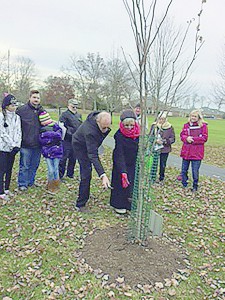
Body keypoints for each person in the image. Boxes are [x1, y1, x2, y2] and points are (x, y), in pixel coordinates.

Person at [72, 111, 111, 212]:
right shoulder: (90, 132)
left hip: (89, 144)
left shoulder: (98, 117)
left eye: (108, 127)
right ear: (97, 122)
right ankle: (80, 204)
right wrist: (102, 174)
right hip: (80, 146)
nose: (105, 130)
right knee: (86, 173)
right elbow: (93, 155)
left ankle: (85, 195)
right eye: (103, 128)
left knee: (89, 169)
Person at [110, 110, 140, 214]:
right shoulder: (119, 135)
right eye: (126, 125)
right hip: (121, 161)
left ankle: (129, 203)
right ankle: (118, 204)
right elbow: (119, 153)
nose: (129, 127)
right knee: (121, 182)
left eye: (131, 125)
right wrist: (123, 170)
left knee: (131, 181)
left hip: (133, 161)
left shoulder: (138, 133)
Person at [16, 90, 43, 191]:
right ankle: (22, 183)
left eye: (38, 98)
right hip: (25, 143)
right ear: (30, 98)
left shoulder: (42, 111)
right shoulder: (21, 110)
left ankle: (31, 181)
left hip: (38, 144)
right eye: (34, 97)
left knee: (34, 165)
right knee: (24, 166)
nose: (36, 100)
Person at [0, 94, 22, 201]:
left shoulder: (17, 117)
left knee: (9, 168)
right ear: (6, 106)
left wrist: (17, 144)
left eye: (15, 105)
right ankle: (1, 191)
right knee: (2, 169)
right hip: (3, 148)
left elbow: (19, 131)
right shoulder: (1, 116)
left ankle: (7, 188)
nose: (14, 107)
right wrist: (12, 144)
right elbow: (2, 133)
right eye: (12, 105)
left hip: (13, 148)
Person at [180, 109, 208, 192]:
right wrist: (186, 138)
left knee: (195, 171)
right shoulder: (186, 125)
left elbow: (204, 138)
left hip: (196, 153)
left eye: (195, 116)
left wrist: (193, 139)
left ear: (199, 117)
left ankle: (195, 185)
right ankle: (184, 183)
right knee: (184, 169)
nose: (193, 118)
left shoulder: (203, 126)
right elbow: (182, 135)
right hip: (186, 151)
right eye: (192, 116)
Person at [39, 111, 63, 193]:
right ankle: (50, 185)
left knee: (56, 169)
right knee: (50, 170)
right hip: (47, 152)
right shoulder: (41, 129)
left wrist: (49, 135)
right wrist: (51, 137)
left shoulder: (56, 126)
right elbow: (42, 140)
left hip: (57, 151)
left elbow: (59, 136)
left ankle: (56, 184)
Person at [59, 98, 82, 179]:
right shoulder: (64, 115)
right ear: (69, 105)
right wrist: (70, 133)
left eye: (76, 106)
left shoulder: (78, 115)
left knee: (73, 158)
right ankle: (60, 175)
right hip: (66, 140)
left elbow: (80, 126)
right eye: (73, 105)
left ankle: (70, 174)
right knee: (63, 158)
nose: (75, 107)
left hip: (76, 140)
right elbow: (61, 127)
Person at [150, 112, 175, 183]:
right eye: (160, 119)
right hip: (155, 148)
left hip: (165, 149)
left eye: (163, 119)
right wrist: (154, 140)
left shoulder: (169, 127)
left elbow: (172, 138)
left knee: (162, 164)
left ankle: (161, 177)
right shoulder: (154, 126)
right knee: (154, 163)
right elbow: (150, 136)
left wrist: (164, 141)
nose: (161, 120)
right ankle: (152, 177)